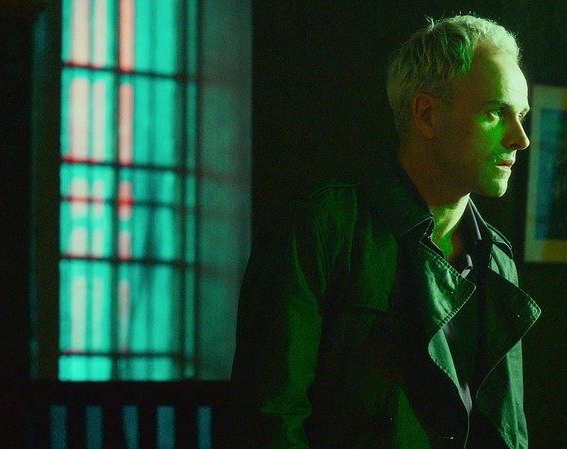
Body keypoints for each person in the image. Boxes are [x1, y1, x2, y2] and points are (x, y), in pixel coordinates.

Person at [230, 14, 541, 449]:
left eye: (521, 115)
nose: (520, 138)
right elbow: (271, 418)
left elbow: (507, 429)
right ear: (427, 115)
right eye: (496, 112)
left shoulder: (496, 257)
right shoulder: (323, 225)